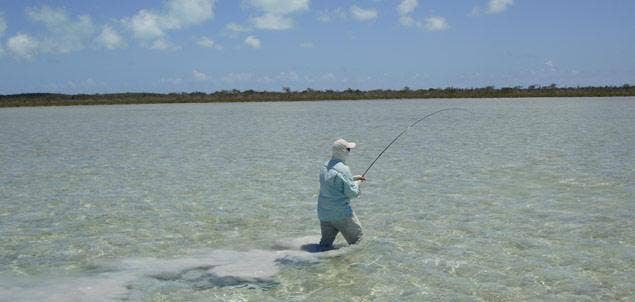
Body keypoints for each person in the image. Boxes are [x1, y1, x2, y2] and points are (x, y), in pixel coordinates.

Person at [317, 138, 366, 251]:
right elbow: (352, 193)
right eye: (349, 149)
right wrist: (358, 183)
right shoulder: (344, 169)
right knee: (358, 243)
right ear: (344, 151)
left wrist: (352, 178)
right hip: (341, 214)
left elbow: (332, 184)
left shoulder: (324, 166)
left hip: (324, 213)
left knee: (324, 246)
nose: (350, 152)